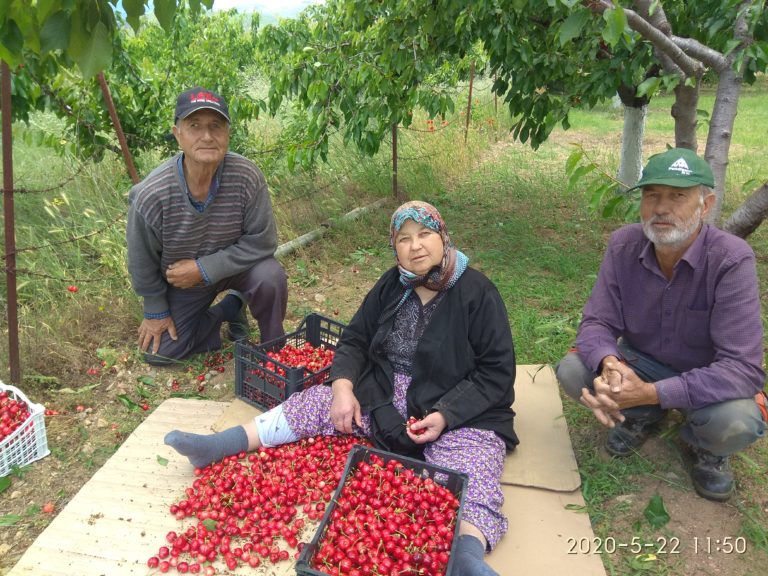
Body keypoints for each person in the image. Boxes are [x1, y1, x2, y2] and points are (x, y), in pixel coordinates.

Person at [165, 201, 518, 575]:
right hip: (386, 390)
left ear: (444, 237)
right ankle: (219, 445)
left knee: (474, 461)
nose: (415, 246)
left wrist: (446, 414)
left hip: (455, 402)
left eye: (425, 234)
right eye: (404, 239)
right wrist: (344, 388)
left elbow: (496, 370)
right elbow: (354, 340)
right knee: (315, 401)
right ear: (394, 247)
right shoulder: (391, 285)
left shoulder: (477, 292)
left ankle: (466, 557)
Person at [556, 147, 766, 502]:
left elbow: (742, 369)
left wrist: (655, 391)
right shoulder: (624, 244)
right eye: (652, 195)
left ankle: (706, 448)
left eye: (678, 196)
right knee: (574, 370)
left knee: (736, 420)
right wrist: (610, 364)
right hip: (641, 362)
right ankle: (640, 414)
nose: (662, 208)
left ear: (706, 204)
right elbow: (597, 322)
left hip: (706, 373)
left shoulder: (731, 258)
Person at [127, 87, 287, 365]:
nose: (207, 136)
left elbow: (263, 241)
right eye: (194, 126)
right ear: (177, 134)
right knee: (163, 353)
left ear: (228, 133)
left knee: (270, 276)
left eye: (216, 126)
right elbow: (141, 260)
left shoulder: (247, 176)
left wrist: (203, 269)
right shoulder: (151, 194)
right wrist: (155, 309)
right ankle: (230, 308)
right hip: (185, 282)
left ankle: (275, 344)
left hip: (238, 270)